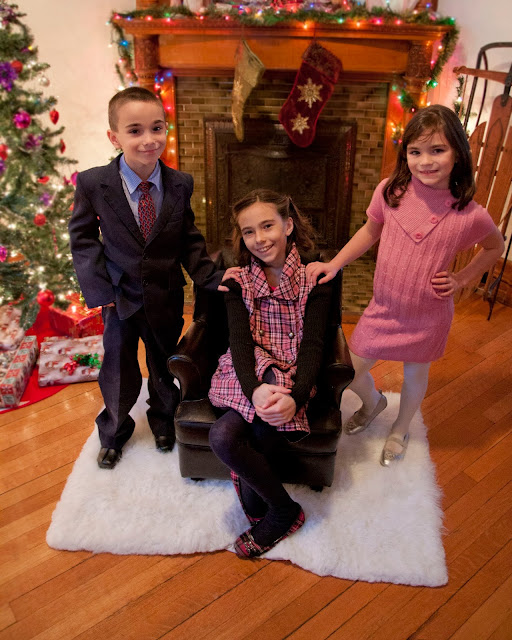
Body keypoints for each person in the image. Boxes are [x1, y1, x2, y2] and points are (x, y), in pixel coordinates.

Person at [307, 104, 504, 467]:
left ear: (458, 153)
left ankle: (400, 429)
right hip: (383, 310)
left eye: (437, 150)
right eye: (415, 152)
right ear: (406, 155)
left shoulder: (469, 213)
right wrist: (335, 263)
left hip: (429, 314)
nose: (425, 161)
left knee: (415, 375)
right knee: (350, 370)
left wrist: (462, 278)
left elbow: (496, 246)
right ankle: (373, 403)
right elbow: (370, 231)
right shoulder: (391, 191)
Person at [69, 87, 235, 470]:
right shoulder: (94, 184)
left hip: (165, 296)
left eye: (156, 128)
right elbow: (83, 238)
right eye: (135, 130)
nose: (149, 139)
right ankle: (113, 432)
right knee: (118, 372)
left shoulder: (180, 184)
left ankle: (163, 422)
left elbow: (189, 239)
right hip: (120, 298)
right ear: (114, 137)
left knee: (164, 366)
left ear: (166, 129)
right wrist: (100, 290)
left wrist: (210, 276)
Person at [208, 189, 333, 558]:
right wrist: (254, 389)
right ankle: (284, 509)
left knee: (262, 431)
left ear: (288, 225)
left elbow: (313, 346)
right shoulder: (238, 281)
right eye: (249, 231)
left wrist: (296, 397)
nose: (259, 239)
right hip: (249, 371)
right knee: (221, 437)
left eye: (267, 226)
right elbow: (240, 344)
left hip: (293, 375)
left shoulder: (314, 278)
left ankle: (275, 511)